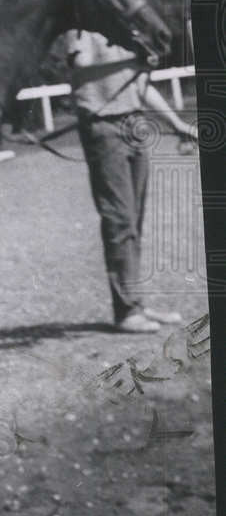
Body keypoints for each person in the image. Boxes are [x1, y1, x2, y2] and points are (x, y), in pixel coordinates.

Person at [66, 29, 197, 333]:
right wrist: (133, 55)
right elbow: (82, 63)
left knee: (133, 219)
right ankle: (126, 311)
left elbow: (139, 86)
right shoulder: (81, 28)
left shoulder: (127, 32)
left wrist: (177, 125)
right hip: (103, 125)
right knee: (118, 218)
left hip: (135, 122)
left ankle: (135, 303)